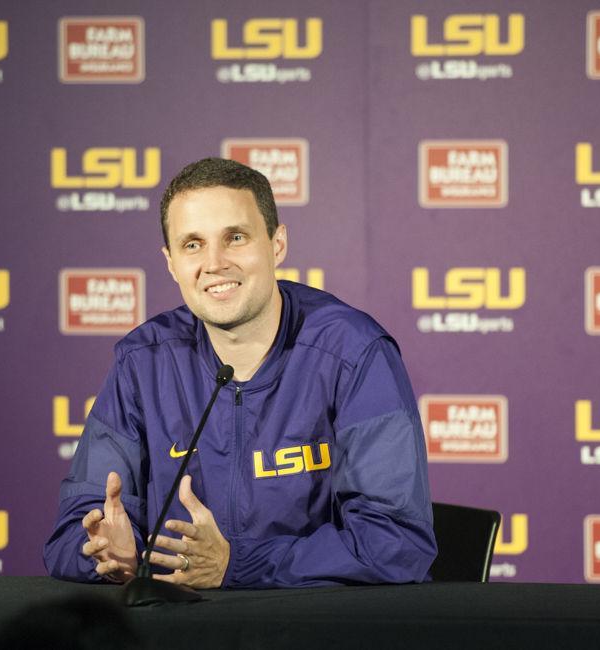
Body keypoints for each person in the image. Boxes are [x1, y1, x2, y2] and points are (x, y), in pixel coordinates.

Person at [44, 158, 436, 588]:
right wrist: (108, 552)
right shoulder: (143, 363)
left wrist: (237, 565)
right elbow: (71, 533)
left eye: (235, 237)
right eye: (192, 244)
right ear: (171, 262)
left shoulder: (355, 355)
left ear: (277, 243)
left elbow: (398, 542)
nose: (214, 263)